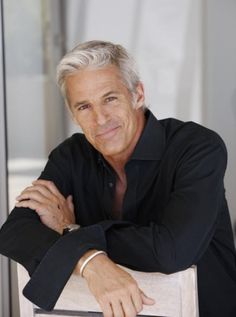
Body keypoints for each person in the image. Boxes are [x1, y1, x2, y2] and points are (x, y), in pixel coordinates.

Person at [0, 40, 236, 317]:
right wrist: (89, 260)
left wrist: (70, 230)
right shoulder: (70, 156)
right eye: (84, 107)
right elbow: (14, 232)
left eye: (110, 98)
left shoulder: (197, 147)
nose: (100, 119)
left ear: (138, 94)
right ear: (72, 113)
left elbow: (172, 252)